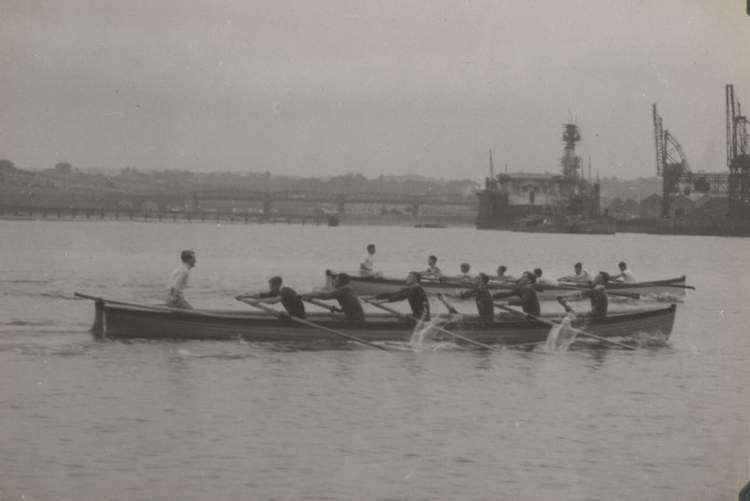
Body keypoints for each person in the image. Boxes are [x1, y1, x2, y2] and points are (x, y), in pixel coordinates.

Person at [238, 276, 306, 318]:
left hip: (299, 318)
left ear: (277, 285)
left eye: (271, 286)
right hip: (292, 316)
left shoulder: (286, 291)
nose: (270, 288)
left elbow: (274, 301)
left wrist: (258, 301)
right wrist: (244, 296)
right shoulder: (278, 291)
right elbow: (260, 295)